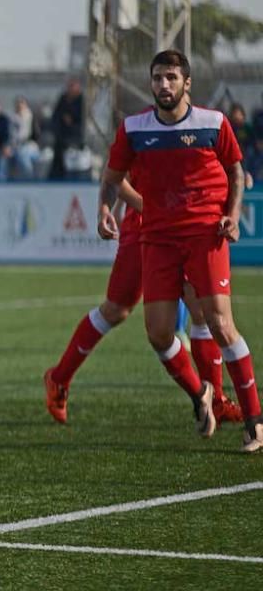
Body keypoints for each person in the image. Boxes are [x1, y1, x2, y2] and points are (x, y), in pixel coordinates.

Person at [97, 49, 261, 452]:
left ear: (187, 83)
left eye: (171, 77)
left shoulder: (213, 123)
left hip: (205, 234)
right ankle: (199, 393)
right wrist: (103, 209)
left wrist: (232, 215)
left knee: (221, 324)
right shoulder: (134, 128)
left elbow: (236, 170)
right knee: (157, 333)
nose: (163, 85)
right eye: (157, 78)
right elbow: (113, 176)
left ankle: (255, 421)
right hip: (157, 238)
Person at [44, 196, 241, 424]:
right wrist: (128, 209)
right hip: (146, 227)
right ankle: (59, 378)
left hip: (181, 222)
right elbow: (118, 176)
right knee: (117, 310)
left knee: (201, 309)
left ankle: (215, 401)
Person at [49, 78, 84, 180]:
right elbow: (56, 116)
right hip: (61, 135)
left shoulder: (81, 100)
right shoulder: (63, 99)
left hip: (75, 136)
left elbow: (81, 118)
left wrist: (71, 120)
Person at [11, 96, 40, 179]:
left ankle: (29, 180)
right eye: (18, 104)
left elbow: (36, 135)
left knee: (23, 154)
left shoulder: (31, 117)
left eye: (22, 104)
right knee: (3, 158)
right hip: (15, 146)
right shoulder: (12, 119)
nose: (20, 107)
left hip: (30, 146)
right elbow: (11, 136)